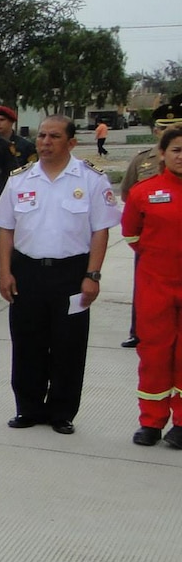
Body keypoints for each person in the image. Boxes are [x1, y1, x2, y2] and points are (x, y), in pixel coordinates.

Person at [0, 115, 119, 434]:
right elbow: (6, 229)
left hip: (72, 273)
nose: (46, 142)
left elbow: (100, 231)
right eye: (42, 136)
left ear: (71, 142)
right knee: (27, 342)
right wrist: (4, 273)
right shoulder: (20, 179)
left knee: (69, 345)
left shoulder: (90, 179)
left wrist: (93, 275)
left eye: (55, 136)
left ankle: (62, 411)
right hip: (27, 271)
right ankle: (28, 408)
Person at [121, 126, 182, 447]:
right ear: (163, 154)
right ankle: (152, 421)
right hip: (155, 286)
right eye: (176, 150)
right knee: (155, 354)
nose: (181, 156)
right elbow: (131, 233)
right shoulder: (144, 192)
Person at [118, 138, 163, 347]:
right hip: (149, 239)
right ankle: (138, 331)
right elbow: (128, 193)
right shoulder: (142, 159)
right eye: (163, 127)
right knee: (144, 287)